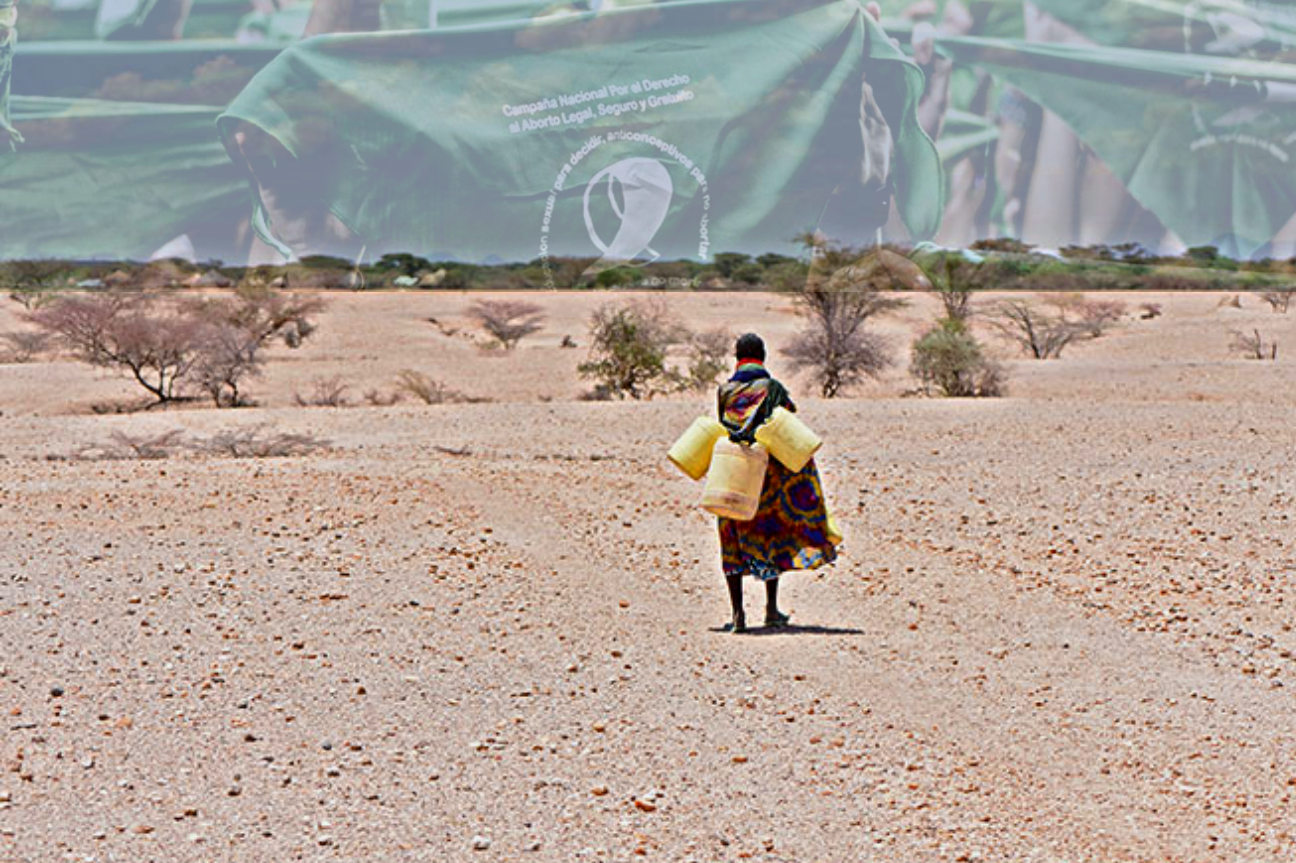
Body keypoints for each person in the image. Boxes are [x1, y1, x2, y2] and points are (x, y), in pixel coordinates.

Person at [715, 333, 838, 634]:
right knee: (767, 533)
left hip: (734, 470)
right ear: (763, 357)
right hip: (766, 475)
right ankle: (770, 609)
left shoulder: (724, 391)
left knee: (732, 533)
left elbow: (724, 423)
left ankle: (738, 614)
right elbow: (787, 417)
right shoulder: (772, 388)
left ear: (737, 356)